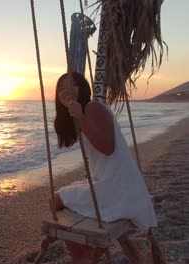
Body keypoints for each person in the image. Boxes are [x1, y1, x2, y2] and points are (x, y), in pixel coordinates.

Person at [52, 72, 157, 263]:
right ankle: (87, 256)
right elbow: (68, 142)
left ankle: (81, 257)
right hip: (117, 185)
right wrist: (73, 114)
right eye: (61, 88)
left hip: (117, 189)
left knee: (55, 200)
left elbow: (108, 148)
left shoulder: (93, 108)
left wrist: (79, 116)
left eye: (72, 86)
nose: (66, 90)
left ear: (83, 89)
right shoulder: (86, 111)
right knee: (64, 198)